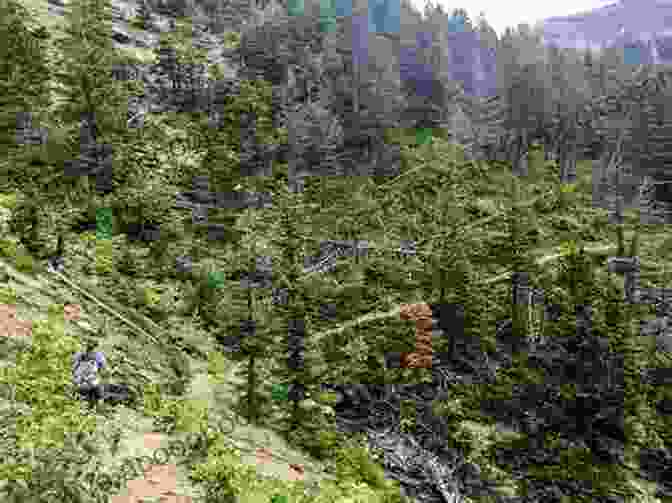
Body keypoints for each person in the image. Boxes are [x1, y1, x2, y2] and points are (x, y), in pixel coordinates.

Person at [72, 341, 107, 407]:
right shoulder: (98, 356)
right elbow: (103, 368)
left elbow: (73, 368)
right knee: (100, 393)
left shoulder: (80, 354)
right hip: (88, 381)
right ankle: (99, 407)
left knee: (98, 389)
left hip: (81, 381)